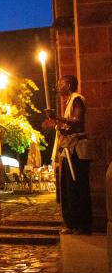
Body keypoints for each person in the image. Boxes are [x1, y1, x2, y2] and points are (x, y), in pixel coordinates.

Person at [43, 75, 91, 234]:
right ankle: (73, 223)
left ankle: (82, 224)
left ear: (69, 85)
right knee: (69, 187)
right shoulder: (70, 101)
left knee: (78, 186)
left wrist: (57, 117)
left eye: (60, 83)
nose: (58, 86)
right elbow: (68, 126)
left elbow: (78, 122)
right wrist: (57, 124)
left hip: (77, 150)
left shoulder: (77, 99)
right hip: (69, 150)